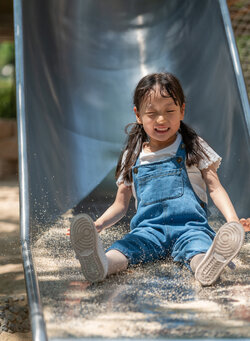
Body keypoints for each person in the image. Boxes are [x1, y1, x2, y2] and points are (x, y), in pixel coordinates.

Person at [69, 72, 249, 286]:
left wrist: (232, 221)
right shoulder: (133, 156)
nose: (161, 119)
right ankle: (102, 264)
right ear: (138, 115)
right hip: (148, 230)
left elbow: (215, 187)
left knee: (198, 248)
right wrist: (98, 224)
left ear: (182, 110)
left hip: (190, 227)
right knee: (127, 248)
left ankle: (206, 267)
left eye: (169, 111)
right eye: (152, 113)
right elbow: (120, 204)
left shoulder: (193, 146)